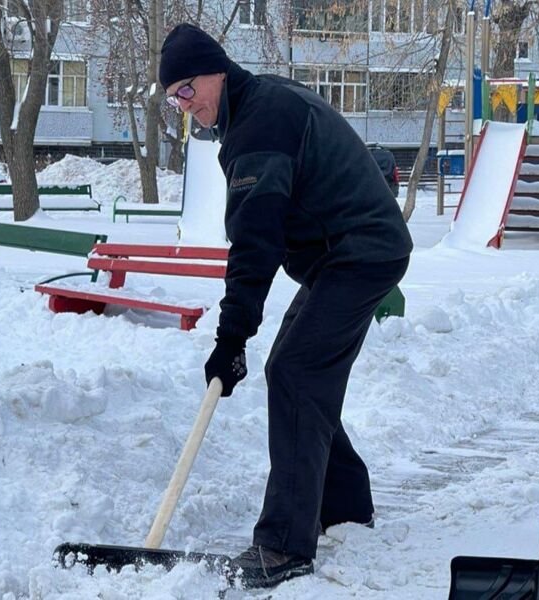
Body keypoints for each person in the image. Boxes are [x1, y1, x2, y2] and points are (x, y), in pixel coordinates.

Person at [159, 24, 413, 589]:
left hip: (360, 251)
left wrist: (231, 340)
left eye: (186, 89)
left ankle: (284, 545)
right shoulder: (256, 107)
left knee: (298, 372)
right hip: (342, 253)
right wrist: (239, 339)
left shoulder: (259, 126)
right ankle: (344, 503)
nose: (183, 104)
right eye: (174, 95)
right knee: (295, 371)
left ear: (216, 71)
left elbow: (256, 244)